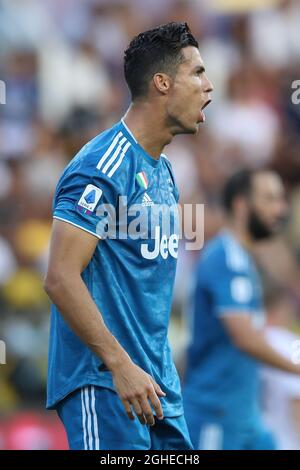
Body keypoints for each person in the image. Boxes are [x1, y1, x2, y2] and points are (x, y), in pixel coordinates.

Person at [44, 22, 213, 450]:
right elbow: (61, 277)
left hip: (158, 389)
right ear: (161, 83)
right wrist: (119, 364)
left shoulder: (165, 172)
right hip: (106, 383)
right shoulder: (103, 164)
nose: (208, 86)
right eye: (196, 73)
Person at [183, 168, 300, 450]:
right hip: (215, 414)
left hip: (245, 415)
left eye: (282, 199)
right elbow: (244, 337)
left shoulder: (243, 259)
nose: (280, 209)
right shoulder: (224, 257)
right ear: (241, 205)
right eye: (270, 199)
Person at [261, 290, 300, 450]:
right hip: (285, 442)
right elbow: (297, 401)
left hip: (254, 438)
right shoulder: (288, 344)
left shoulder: (251, 344)